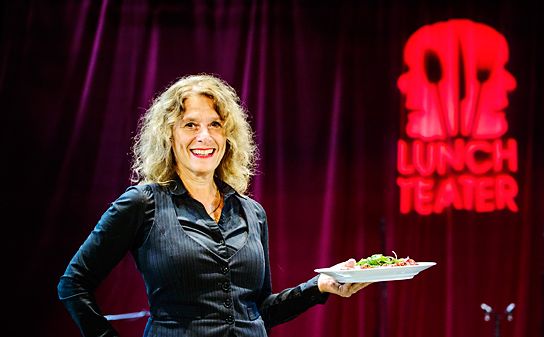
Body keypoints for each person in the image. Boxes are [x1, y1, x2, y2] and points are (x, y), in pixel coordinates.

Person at [57, 73, 370, 337]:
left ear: (229, 136)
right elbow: (73, 284)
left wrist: (321, 286)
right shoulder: (143, 203)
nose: (204, 136)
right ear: (169, 134)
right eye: (190, 125)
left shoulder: (252, 213)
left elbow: (258, 312)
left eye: (216, 124)